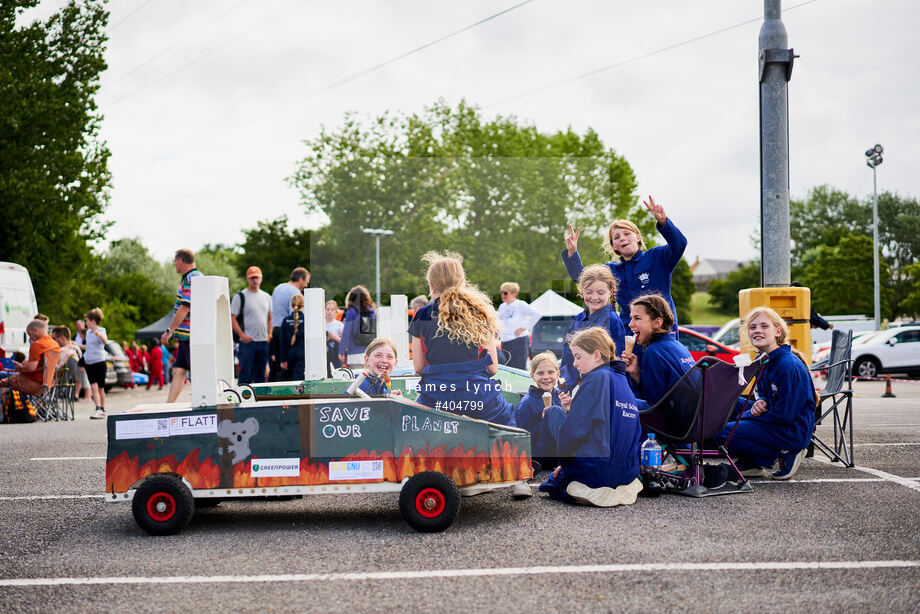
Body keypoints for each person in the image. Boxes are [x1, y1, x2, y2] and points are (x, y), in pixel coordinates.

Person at [538, 327, 643, 507]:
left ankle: (586, 486)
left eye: (578, 357)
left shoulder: (595, 378)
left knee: (552, 482)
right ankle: (620, 487)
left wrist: (564, 465)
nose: (574, 364)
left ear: (596, 356)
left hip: (595, 470)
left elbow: (574, 432)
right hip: (627, 471)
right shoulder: (622, 380)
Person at [408, 251, 514, 426]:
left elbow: (419, 367)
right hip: (479, 397)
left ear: (431, 285)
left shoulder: (422, 315)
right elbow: (493, 368)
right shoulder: (479, 312)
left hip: (436, 398)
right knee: (509, 422)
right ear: (462, 282)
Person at [715, 306, 817, 481]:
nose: (757, 331)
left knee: (721, 431)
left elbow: (785, 415)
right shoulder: (762, 360)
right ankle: (752, 463)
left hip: (790, 430)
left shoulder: (787, 365)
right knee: (727, 402)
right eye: (753, 327)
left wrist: (746, 416)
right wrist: (761, 400)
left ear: (778, 331)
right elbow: (764, 394)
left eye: (764, 326)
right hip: (776, 418)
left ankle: (784, 452)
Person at [562, 196, 687, 330]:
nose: (622, 238)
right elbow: (582, 278)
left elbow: (679, 244)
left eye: (627, 234)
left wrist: (663, 222)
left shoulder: (657, 257)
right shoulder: (611, 270)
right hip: (630, 334)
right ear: (614, 246)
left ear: (638, 237)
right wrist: (572, 252)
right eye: (616, 237)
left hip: (660, 331)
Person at [622, 294, 698, 413]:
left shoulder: (653, 352)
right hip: (695, 416)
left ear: (657, 323)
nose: (630, 324)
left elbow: (654, 406)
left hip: (679, 424)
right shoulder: (679, 346)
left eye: (637, 318)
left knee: (617, 401)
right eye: (631, 318)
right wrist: (636, 373)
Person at [559, 264, 628, 391]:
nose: (594, 297)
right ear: (581, 291)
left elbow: (616, 361)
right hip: (579, 388)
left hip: (603, 387)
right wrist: (564, 387)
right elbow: (568, 358)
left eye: (600, 293)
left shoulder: (612, 321)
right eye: (589, 292)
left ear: (611, 292)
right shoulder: (578, 319)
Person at [512, 351, 566, 471]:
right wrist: (543, 420)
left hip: (558, 453)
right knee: (554, 411)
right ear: (532, 376)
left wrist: (569, 410)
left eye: (551, 372)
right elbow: (524, 442)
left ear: (558, 374)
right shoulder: (526, 403)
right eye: (540, 373)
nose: (546, 377)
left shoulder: (560, 396)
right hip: (540, 456)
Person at [161, 248, 203, 403]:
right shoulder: (195, 277)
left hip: (191, 335)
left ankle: (200, 404)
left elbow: (185, 307)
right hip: (187, 336)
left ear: (180, 261)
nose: (174, 265)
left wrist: (169, 331)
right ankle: (168, 405)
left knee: (196, 375)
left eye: (174, 262)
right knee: (178, 371)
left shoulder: (191, 279)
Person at [231, 266, 273, 386]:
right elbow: (232, 317)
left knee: (261, 376)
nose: (255, 280)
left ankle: (260, 402)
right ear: (247, 279)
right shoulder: (240, 296)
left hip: (263, 341)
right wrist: (241, 335)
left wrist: (269, 334)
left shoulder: (266, 296)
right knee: (245, 375)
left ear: (261, 278)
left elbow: (270, 318)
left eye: (257, 277)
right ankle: (242, 402)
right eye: (252, 278)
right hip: (248, 342)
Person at [269, 267, 310, 381]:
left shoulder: (278, 288)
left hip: (274, 331)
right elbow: (294, 316)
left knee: (276, 369)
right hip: (288, 333)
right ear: (301, 279)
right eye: (306, 281)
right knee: (287, 370)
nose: (306, 286)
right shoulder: (295, 293)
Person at [0, 319, 60, 396]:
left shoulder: (37, 344)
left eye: (30, 334)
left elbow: (31, 368)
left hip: (33, 384)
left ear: (35, 330)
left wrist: (21, 367)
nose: (30, 338)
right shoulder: (54, 345)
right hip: (47, 384)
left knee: (4, 379)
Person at [497, 282, 542, 370]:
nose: (503, 295)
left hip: (518, 340)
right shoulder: (502, 307)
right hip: (505, 340)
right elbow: (498, 321)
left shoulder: (520, 304)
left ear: (514, 294)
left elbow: (536, 314)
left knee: (518, 368)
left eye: (505, 293)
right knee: (506, 367)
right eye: (501, 292)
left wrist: (523, 328)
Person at [339, 285, 377, 369]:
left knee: (357, 379)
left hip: (354, 352)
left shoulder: (352, 311)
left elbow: (346, 333)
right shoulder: (372, 312)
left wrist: (341, 351)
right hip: (369, 353)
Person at [83, 308, 108, 419]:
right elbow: (89, 346)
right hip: (89, 362)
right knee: (93, 386)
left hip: (99, 361)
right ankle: (98, 407)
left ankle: (102, 408)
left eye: (87, 320)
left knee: (101, 387)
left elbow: (105, 341)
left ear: (93, 321)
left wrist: (99, 335)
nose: (86, 323)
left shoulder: (101, 330)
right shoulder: (88, 333)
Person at [280, 294, 305, 381]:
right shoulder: (306, 319)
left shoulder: (286, 320)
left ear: (291, 305)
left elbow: (282, 340)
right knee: (299, 380)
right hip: (302, 353)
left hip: (289, 354)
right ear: (303, 304)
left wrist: (283, 359)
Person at [325, 300, 344, 377]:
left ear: (336, 311)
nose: (330, 312)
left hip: (334, 353)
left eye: (332, 310)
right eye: (328, 309)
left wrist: (333, 336)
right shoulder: (321, 323)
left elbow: (343, 341)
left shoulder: (339, 325)